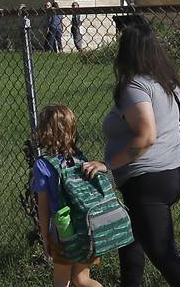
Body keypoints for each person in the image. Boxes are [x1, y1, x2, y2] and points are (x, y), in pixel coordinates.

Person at [82, 17, 180, 287]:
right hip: (174, 173)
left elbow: (146, 136)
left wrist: (108, 164)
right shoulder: (172, 83)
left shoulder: (135, 86)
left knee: (164, 254)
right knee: (131, 238)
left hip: (148, 180)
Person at [31, 104, 104, 287]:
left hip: (63, 230)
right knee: (82, 279)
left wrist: (45, 236)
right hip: (88, 225)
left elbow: (44, 206)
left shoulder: (43, 165)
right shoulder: (82, 159)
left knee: (61, 281)